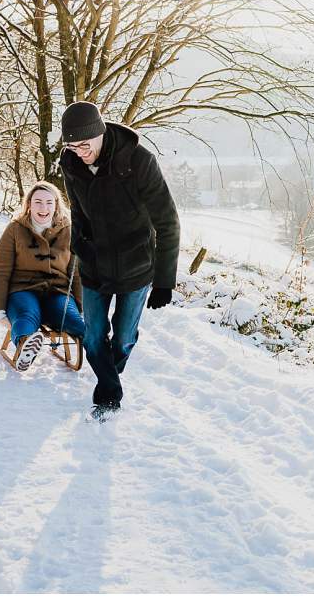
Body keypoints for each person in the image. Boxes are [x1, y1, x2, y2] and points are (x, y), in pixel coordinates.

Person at [59, 101, 181, 417]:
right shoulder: (70, 163)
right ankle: (109, 397)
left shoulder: (138, 162)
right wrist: (77, 246)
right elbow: (76, 209)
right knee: (93, 338)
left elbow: (167, 222)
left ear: (100, 134)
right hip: (95, 266)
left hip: (135, 267)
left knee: (124, 339)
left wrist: (165, 282)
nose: (79, 152)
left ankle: (109, 376)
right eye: (71, 146)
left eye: (84, 145)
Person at [0, 181, 86, 371]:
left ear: (56, 205)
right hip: (23, 289)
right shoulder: (15, 229)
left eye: (49, 203)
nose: (44, 208)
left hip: (57, 291)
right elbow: (0, 271)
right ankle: (26, 345)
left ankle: (100, 344)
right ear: (29, 204)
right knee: (26, 315)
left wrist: (80, 305)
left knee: (74, 322)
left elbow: (76, 271)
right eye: (38, 202)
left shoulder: (68, 230)